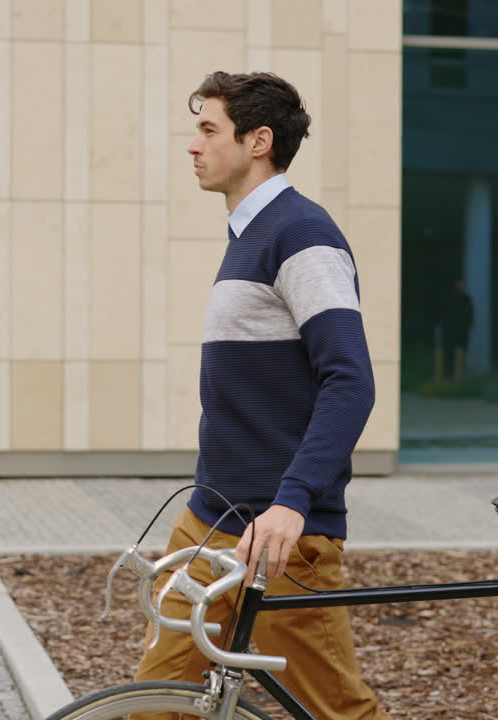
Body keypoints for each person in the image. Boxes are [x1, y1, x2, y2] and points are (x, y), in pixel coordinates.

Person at [132, 71, 389, 720]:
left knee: (337, 712)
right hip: (209, 518)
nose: (192, 145)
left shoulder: (300, 233)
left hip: (277, 536)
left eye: (209, 129)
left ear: (259, 142)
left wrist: (293, 502)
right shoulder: (248, 236)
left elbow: (350, 380)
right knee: (154, 702)